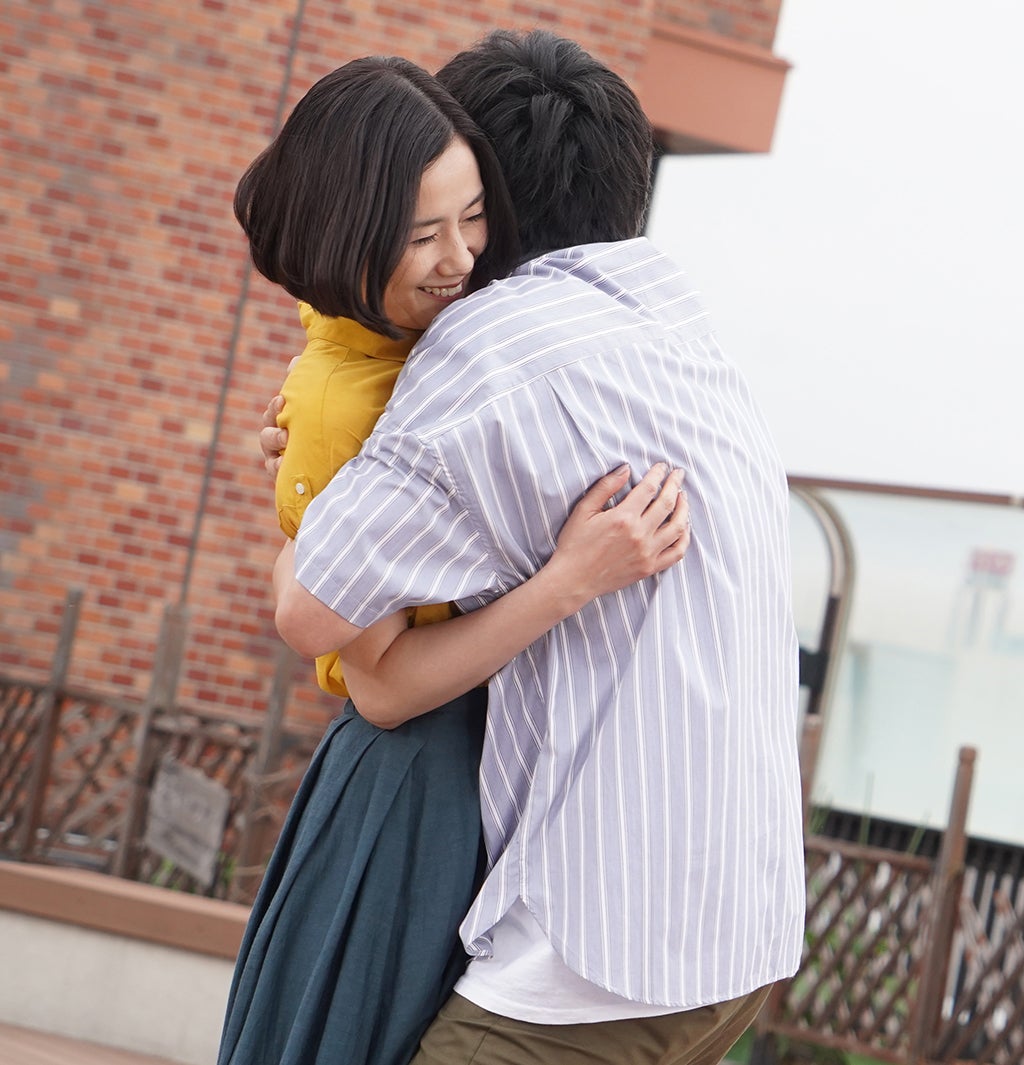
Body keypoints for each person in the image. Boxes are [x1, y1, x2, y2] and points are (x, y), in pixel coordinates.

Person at [272, 29, 805, 1065]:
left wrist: (297, 479)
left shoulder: (490, 348)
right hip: (737, 941)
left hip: (592, 958)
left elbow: (314, 614)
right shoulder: (692, 346)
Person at [221, 55, 690, 1065]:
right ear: (353, 232)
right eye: (420, 232)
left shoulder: (412, 355)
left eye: (471, 217)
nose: (459, 257)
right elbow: (381, 686)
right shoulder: (364, 395)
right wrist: (571, 579)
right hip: (419, 778)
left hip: (465, 772)